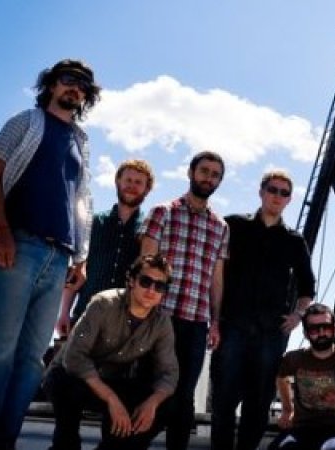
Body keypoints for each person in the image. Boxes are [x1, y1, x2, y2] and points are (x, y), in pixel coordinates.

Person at [0, 59, 100, 449]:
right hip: (20, 245)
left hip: (60, 258)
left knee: (32, 359)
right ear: (52, 85)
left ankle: (5, 439)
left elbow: (81, 200)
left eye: (83, 85)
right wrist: (2, 232)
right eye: (68, 80)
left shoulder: (81, 141)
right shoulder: (26, 121)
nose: (75, 88)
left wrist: (81, 257)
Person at [211, 169, 315, 450]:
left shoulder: (294, 240)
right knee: (223, 399)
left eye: (284, 193)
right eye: (272, 190)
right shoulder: (233, 226)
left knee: (258, 403)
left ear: (289, 199)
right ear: (261, 192)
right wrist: (215, 319)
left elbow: (307, 286)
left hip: (271, 332)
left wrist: (299, 315)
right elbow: (215, 271)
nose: (277, 196)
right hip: (233, 326)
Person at [140, 150, 229, 450]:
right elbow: (144, 263)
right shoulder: (163, 212)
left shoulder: (220, 226)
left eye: (215, 175)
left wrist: (215, 321)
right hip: (159, 317)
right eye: (204, 171)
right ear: (191, 172)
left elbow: (216, 278)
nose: (208, 178)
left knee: (184, 397)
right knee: (150, 389)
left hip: (196, 322)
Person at [44, 254, 179, 450]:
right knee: (64, 383)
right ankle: (65, 444)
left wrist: (152, 403)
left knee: (169, 403)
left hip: (113, 380)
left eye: (159, 286)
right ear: (131, 281)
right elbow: (74, 357)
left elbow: (168, 374)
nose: (151, 290)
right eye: (145, 281)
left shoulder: (162, 322)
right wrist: (111, 399)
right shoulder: (103, 304)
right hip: (76, 378)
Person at [56, 159, 155, 336]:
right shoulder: (93, 223)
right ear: (118, 181)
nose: (132, 186)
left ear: (147, 189)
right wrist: (64, 313)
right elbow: (76, 270)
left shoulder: (148, 232)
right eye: (128, 180)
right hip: (85, 315)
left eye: (138, 182)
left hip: (124, 324)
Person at [269, 303, 335, 450]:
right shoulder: (293, 359)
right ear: (305, 333)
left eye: (326, 327)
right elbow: (281, 378)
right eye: (314, 329)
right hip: (302, 429)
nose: (321, 333)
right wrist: (287, 410)